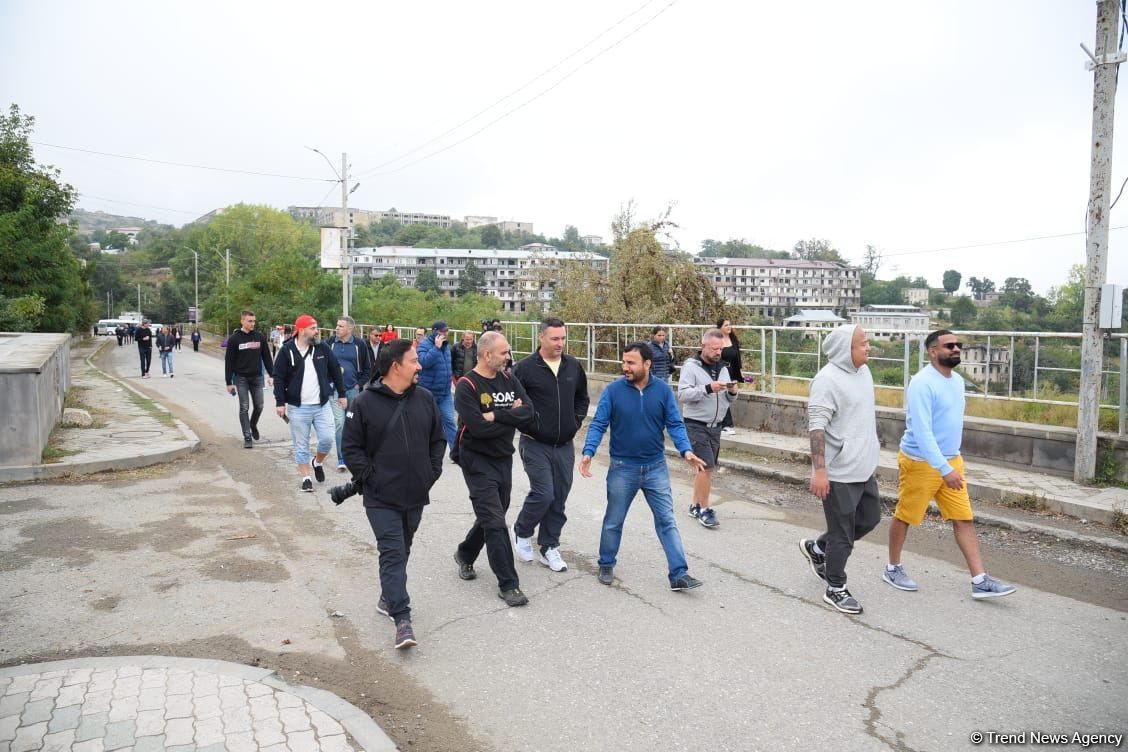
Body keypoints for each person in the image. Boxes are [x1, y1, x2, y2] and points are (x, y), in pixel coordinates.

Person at [884, 330, 1017, 600]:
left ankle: (979, 580)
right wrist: (943, 469)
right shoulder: (922, 384)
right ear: (933, 352)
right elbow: (922, 432)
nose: (956, 349)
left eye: (958, 345)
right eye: (949, 346)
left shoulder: (957, 381)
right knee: (906, 516)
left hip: (951, 459)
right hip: (920, 461)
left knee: (964, 518)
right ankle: (893, 567)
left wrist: (950, 464)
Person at [342, 338, 445, 650]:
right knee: (393, 551)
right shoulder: (363, 403)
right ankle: (402, 619)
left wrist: (431, 472)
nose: (420, 366)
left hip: (415, 494)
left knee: (404, 547)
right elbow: (351, 448)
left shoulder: (425, 399)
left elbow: (437, 440)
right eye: (414, 361)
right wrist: (371, 478)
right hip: (380, 497)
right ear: (395, 367)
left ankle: (388, 597)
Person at [580, 342, 707, 590]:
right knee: (614, 520)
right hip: (622, 468)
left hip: (655, 467)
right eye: (624, 361)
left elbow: (675, 423)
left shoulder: (662, 391)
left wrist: (686, 450)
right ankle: (606, 563)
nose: (624, 366)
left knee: (666, 521)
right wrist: (588, 451)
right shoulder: (614, 391)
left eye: (630, 363)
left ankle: (679, 574)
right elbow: (598, 424)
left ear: (647, 364)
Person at [798, 325, 881, 615]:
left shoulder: (864, 373)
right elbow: (817, 428)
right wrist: (819, 471)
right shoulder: (826, 381)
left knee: (870, 519)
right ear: (845, 349)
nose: (868, 347)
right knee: (843, 534)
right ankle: (835, 587)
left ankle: (820, 548)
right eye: (862, 344)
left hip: (863, 466)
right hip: (839, 472)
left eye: (867, 342)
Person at [452, 331, 534, 607]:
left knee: (495, 512)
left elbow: (529, 413)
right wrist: (512, 416)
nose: (509, 357)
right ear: (487, 355)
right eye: (504, 352)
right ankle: (509, 584)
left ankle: (465, 553)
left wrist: (498, 414)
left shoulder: (509, 379)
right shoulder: (467, 386)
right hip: (476, 460)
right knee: (496, 521)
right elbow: (478, 428)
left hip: (503, 457)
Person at [512, 317, 589, 572]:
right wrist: (528, 424)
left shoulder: (572, 367)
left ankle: (549, 546)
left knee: (559, 498)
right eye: (555, 338)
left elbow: (582, 398)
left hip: (564, 444)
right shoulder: (524, 368)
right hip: (535, 442)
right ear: (541, 338)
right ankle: (522, 530)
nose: (560, 343)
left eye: (563, 338)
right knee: (544, 493)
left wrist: (575, 422)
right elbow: (514, 403)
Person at [274, 314, 347, 492]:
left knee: (327, 438)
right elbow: (279, 377)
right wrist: (280, 402)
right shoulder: (287, 350)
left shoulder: (322, 348)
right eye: (313, 328)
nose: (317, 331)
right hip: (298, 407)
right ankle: (306, 478)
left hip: (322, 405)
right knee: (301, 444)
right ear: (302, 330)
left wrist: (342, 393)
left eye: (316, 328)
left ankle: (317, 462)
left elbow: (335, 370)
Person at [677, 328, 739, 529]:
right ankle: (704, 509)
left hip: (716, 426)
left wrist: (732, 392)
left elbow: (728, 400)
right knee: (706, 467)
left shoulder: (723, 367)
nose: (718, 352)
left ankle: (695, 505)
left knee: (705, 470)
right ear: (703, 346)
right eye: (714, 349)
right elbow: (683, 395)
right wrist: (707, 389)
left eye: (720, 349)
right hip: (696, 424)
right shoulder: (691, 366)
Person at [326, 315, 374, 472]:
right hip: (334, 391)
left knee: (353, 424)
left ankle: (356, 454)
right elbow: (322, 364)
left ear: (350, 328)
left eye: (341, 326)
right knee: (339, 423)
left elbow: (368, 368)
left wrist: (358, 384)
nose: (337, 328)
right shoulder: (330, 343)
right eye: (337, 325)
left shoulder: (359, 344)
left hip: (353, 391)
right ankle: (341, 458)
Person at [224, 310, 275, 449]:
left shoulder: (259, 337)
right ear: (242, 321)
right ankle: (247, 436)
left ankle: (253, 424)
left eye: (254, 321)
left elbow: (266, 356)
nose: (253, 323)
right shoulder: (235, 339)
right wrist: (229, 382)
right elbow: (229, 361)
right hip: (241, 379)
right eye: (250, 321)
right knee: (244, 407)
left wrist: (272, 374)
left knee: (259, 405)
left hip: (257, 378)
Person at [416, 320, 457, 450]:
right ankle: (424, 450)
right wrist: (436, 348)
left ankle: (456, 451)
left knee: (450, 421)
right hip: (429, 393)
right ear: (435, 332)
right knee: (427, 424)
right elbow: (423, 363)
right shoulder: (424, 345)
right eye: (443, 331)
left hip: (445, 393)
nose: (446, 333)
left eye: (447, 331)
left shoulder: (447, 347)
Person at [716, 318, 743, 434]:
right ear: (720, 328)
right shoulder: (717, 340)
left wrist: (739, 372)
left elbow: (737, 357)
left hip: (731, 370)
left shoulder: (733, 339)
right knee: (723, 396)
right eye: (726, 325)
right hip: (721, 370)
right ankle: (727, 424)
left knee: (730, 395)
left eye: (729, 324)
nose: (729, 327)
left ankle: (724, 423)